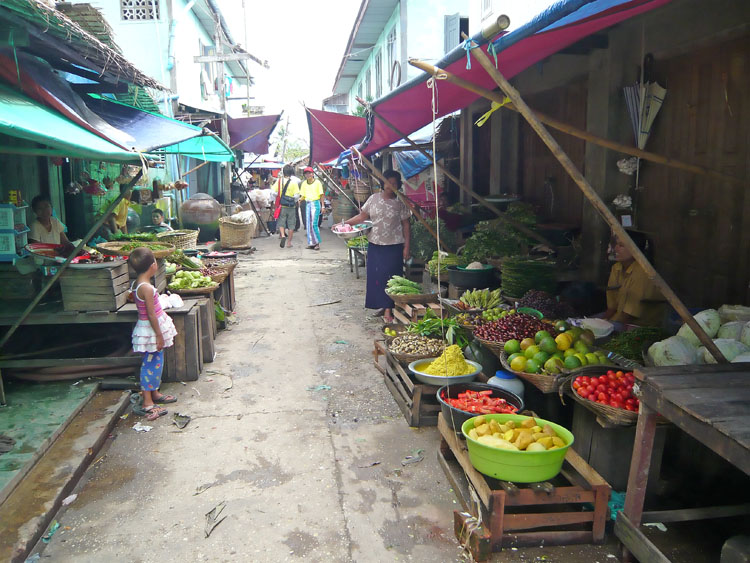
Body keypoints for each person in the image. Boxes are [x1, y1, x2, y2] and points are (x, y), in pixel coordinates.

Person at [344, 170, 411, 323]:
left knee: (392, 278)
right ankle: (383, 306)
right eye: (389, 182)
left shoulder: (400, 203)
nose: (391, 186)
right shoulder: (373, 199)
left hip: (394, 246)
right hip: (375, 245)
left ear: (398, 185)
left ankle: (389, 310)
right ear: (383, 183)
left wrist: (406, 247)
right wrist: (345, 223)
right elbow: (362, 216)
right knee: (377, 277)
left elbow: (406, 225)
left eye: (394, 183)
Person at [129, 247, 179, 421]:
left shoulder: (137, 284)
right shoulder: (147, 289)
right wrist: (159, 335)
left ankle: (155, 393)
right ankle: (147, 402)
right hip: (151, 330)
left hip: (148, 328)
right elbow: (151, 314)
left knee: (155, 362)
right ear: (153, 265)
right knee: (150, 364)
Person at [602, 231, 665, 327]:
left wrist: (606, 327)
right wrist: (602, 321)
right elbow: (612, 306)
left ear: (635, 250)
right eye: (614, 244)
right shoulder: (616, 268)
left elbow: (630, 315)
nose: (615, 249)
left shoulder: (643, 272)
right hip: (618, 319)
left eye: (621, 245)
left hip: (639, 326)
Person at [272, 164, 300, 248]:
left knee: (281, 222)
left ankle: (283, 235)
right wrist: (291, 200)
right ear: (292, 172)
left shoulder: (279, 181)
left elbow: (273, 192)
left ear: (283, 172)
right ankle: (289, 243)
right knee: (291, 224)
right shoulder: (294, 183)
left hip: (282, 206)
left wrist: (279, 196)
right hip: (291, 207)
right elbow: (296, 196)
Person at [300, 166, 324, 250]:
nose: (308, 175)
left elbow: (321, 194)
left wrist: (323, 205)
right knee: (308, 224)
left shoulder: (317, 183)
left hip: (316, 203)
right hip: (308, 204)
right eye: (306, 173)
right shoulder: (304, 183)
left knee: (314, 224)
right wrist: (299, 200)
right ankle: (311, 243)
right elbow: (303, 195)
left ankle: (317, 243)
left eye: (309, 173)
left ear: (313, 174)